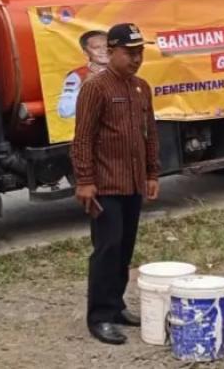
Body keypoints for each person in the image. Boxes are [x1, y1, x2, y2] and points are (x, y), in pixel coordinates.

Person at [70, 23, 160, 345]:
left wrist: (152, 174)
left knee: (124, 249)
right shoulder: (95, 87)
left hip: (133, 183)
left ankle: (117, 306)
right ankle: (99, 317)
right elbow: (82, 139)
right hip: (105, 185)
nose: (136, 59)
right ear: (111, 52)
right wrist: (85, 181)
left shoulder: (141, 87)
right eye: (130, 53)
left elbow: (149, 134)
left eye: (140, 52)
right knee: (106, 250)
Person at [57, 30, 109, 118]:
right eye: (96, 47)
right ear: (86, 52)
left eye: (107, 46)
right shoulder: (78, 75)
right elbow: (65, 111)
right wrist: (84, 88)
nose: (104, 51)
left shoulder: (125, 72)